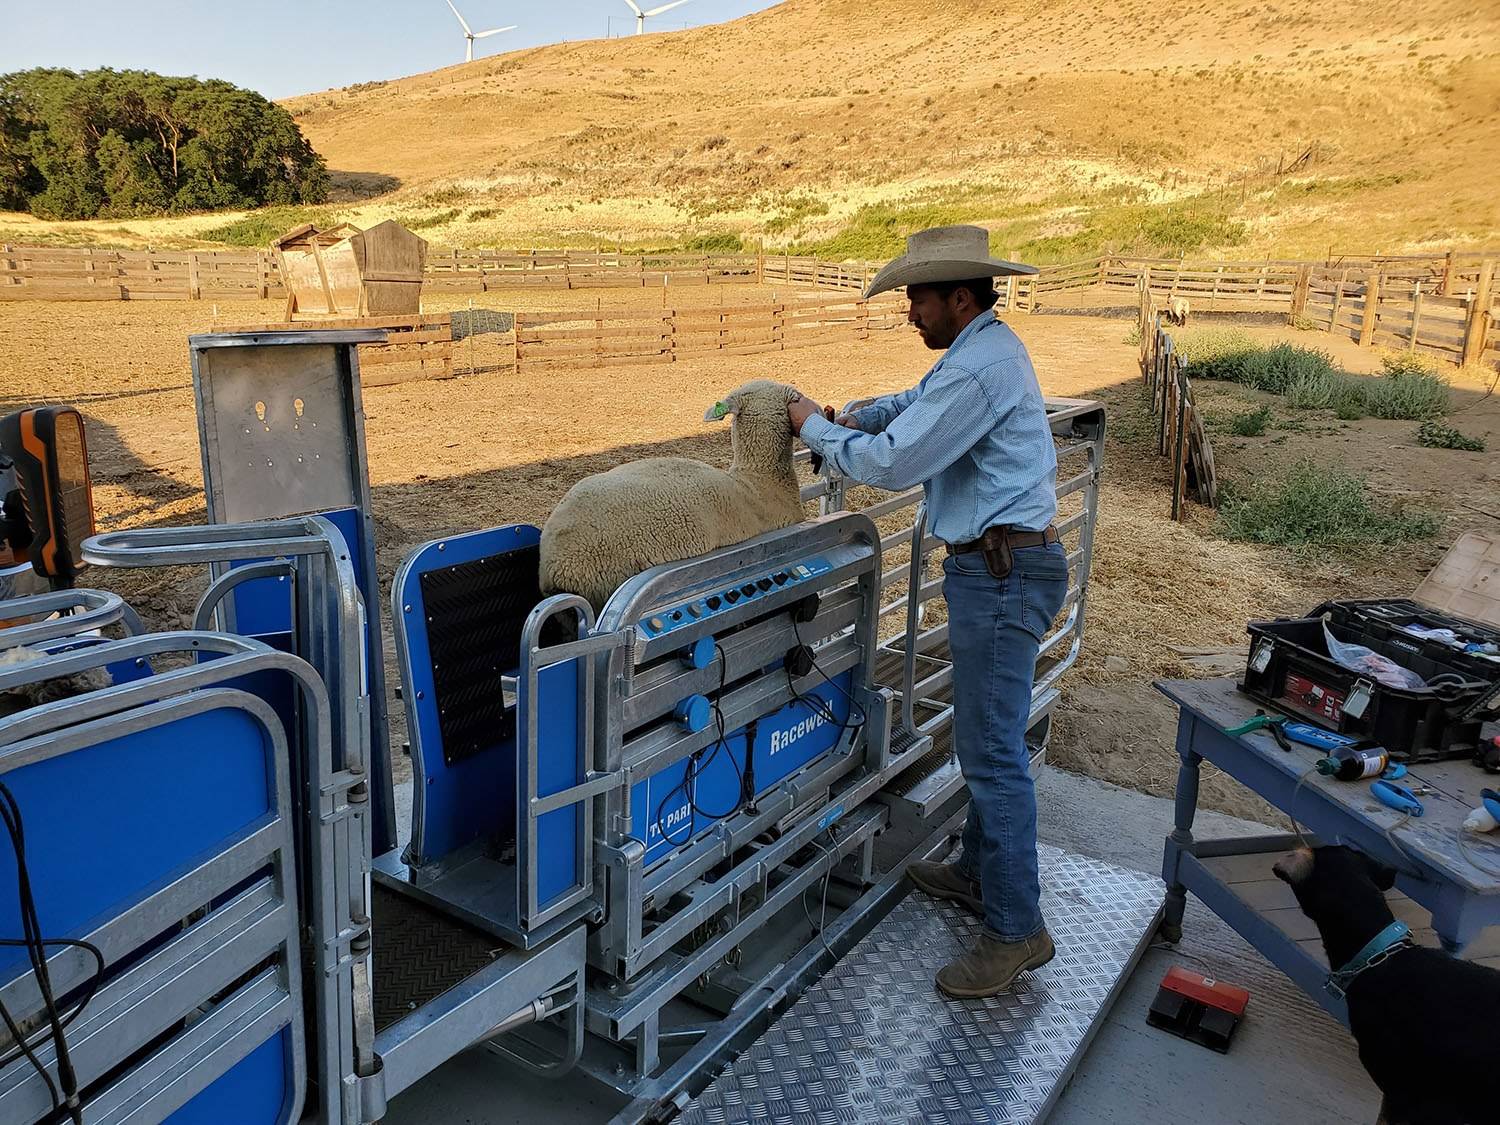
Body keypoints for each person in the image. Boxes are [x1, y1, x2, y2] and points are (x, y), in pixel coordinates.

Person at [786, 224, 1068, 999]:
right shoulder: (979, 355)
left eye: (917, 298)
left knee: (989, 752)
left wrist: (814, 426)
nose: (910, 311)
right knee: (992, 736)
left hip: (1003, 575)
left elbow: (894, 462)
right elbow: (912, 408)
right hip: (1005, 566)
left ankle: (1016, 930)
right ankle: (982, 873)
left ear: (960, 297)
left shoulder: (979, 370)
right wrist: (860, 411)